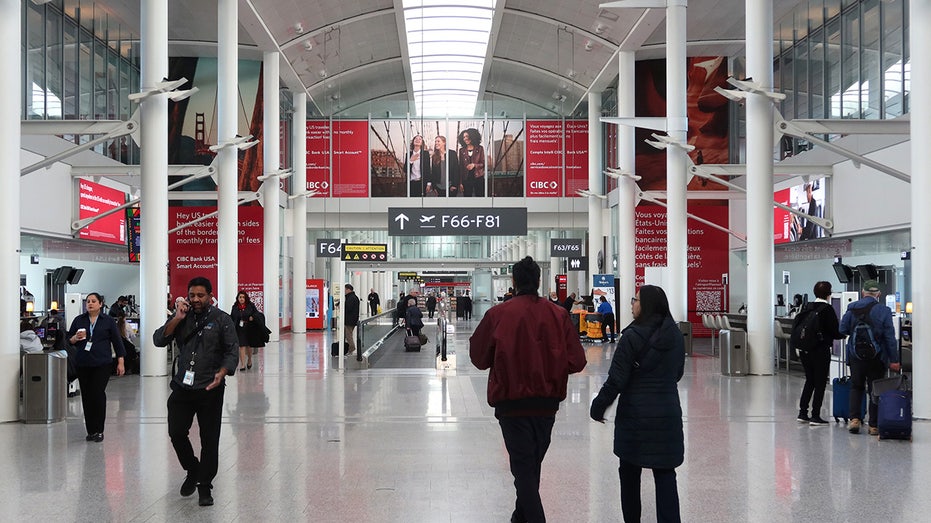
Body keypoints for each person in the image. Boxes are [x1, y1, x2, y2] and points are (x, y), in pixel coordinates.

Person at [470, 256, 587, 523]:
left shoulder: (498, 315)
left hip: (511, 406)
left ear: (513, 281)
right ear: (538, 281)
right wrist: (551, 364)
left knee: (524, 470)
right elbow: (577, 360)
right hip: (547, 405)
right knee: (529, 469)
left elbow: (479, 357)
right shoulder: (558, 315)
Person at [590, 285, 685, 523]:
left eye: (636, 300)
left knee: (630, 474)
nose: (632, 303)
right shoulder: (675, 335)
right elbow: (678, 374)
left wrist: (598, 406)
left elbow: (616, 380)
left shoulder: (632, 336)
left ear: (647, 305)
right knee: (665, 474)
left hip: (635, 418)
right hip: (668, 415)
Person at [153, 277, 238, 507]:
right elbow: (159, 339)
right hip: (183, 387)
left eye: (201, 295)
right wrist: (177, 317)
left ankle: (204, 486)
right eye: (192, 295)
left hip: (210, 388)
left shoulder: (222, 320)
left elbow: (232, 352)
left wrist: (222, 373)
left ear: (210, 296)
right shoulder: (182, 317)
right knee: (176, 432)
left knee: (209, 439)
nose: (196, 300)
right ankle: (193, 468)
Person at [839, 279, 900, 436]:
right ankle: (874, 425)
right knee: (875, 389)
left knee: (856, 386)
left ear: (863, 293)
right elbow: (889, 337)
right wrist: (894, 359)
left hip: (855, 355)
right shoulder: (884, 310)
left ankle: (854, 420)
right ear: (878, 294)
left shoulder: (851, 308)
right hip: (877, 357)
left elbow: (843, 329)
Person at [67, 292, 125, 443]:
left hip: (102, 363)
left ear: (100, 304)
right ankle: (91, 430)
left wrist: (121, 361)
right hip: (83, 363)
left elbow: (117, 341)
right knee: (86, 396)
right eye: (88, 302)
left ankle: (99, 430)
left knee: (97, 394)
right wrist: (74, 338)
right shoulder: (79, 320)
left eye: (93, 301)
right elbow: (69, 340)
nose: (90, 304)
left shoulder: (108, 321)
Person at [794, 281, 844, 425]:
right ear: (829, 294)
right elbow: (835, 331)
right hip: (820, 350)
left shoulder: (807, 306)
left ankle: (803, 412)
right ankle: (815, 415)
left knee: (810, 379)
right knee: (820, 382)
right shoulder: (827, 309)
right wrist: (843, 335)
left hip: (805, 349)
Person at [229, 291, 258, 371]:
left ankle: (249, 360)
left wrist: (252, 317)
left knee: (248, 346)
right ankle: (242, 364)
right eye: (240, 297)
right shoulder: (235, 307)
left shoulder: (250, 306)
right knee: (241, 346)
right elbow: (232, 317)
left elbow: (256, 314)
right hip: (239, 328)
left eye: (243, 297)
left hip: (249, 328)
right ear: (238, 298)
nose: (241, 299)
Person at [457, 128, 485, 197]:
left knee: (480, 197)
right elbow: (461, 167)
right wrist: (460, 183)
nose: (465, 139)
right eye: (463, 137)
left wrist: (474, 165)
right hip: (466, 179)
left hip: (478, 177)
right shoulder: (461, 150)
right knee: (467, 198)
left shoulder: (480, 148)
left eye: (467, 136)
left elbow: (483, 163)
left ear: (472, 136)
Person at [343, 284, 361, 356]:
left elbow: (349, 308)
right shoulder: (354, 297)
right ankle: (348, 348)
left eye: (345, 289)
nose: (344, 291)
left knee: (348, 335)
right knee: (348, 334)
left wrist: (343, 307)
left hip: (349, 320)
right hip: (353, 319)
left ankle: (351, 348)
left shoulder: (351, 298)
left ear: (348, 289)